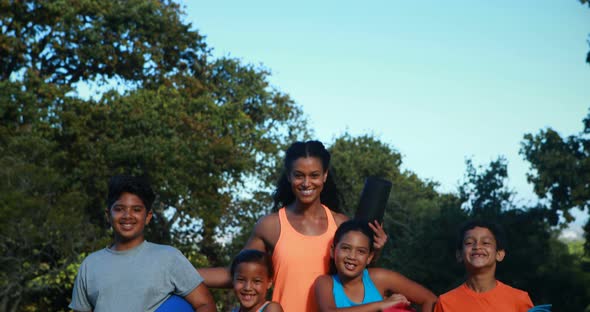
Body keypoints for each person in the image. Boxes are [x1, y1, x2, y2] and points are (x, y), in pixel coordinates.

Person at [199, 140, 388, 312]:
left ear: (324, 176)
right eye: (299, 175)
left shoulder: (341, 225)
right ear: (289, 176)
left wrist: (376, 251)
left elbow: (357, 277)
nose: (306, 183)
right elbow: (236, 273)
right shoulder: (271, 225)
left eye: (314, 175)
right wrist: (178, 272)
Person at [69, 175, 216, 312]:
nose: (127, 216)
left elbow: (205, 304)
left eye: (136, 210)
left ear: (148, 217)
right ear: (108, 215)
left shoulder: (168, 258)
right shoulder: (90, 264)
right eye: (119, 209)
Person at [314, 219, 437, 312]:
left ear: (369, 257)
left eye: (361, 251)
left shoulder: (380, 278)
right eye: (346, 248)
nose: (352, 256)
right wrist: (380, 305)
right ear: (332, 250)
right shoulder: (325, 282)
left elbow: (430, 299)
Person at [434, 220, 534, 312]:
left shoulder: (519, 300)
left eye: (486, 242)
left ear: (499, 254)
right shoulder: (445, 302)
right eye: (469, 243)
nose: (477, 246)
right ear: (459, 254)